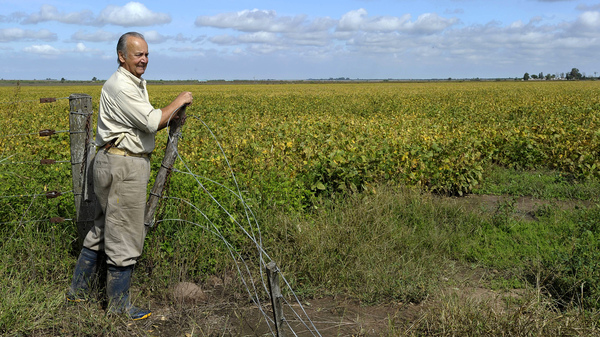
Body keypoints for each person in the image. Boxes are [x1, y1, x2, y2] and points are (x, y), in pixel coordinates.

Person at [66, 32, 193, 320]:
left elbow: (142, 126)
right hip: (124, 167)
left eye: (147, 54)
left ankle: (79, 291)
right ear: (122, 56)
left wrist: (168, 116)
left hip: (113, 160)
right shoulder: (122, 86)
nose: (144, 60)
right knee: (124, 235)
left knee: (102, 228)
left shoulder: (129, 83)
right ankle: (119, 307)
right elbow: (150, 121)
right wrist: (180, 100)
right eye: (138, 55)